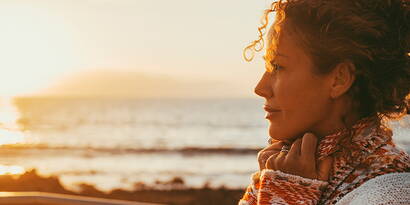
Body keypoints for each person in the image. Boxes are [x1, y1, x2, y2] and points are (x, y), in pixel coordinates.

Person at [239, 0, 410, 204]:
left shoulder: (390, 195)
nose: (260, 88)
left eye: (278, 67)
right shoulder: (289, 171)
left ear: (339, 79)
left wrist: (285, 195)